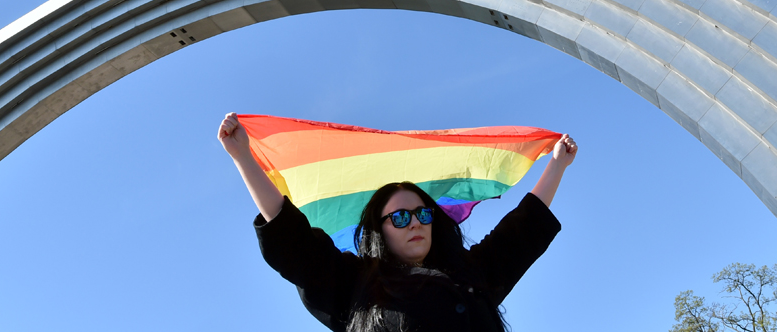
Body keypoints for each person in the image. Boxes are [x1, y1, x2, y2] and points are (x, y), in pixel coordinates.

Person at [218, 112, 578, 332]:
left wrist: (557, 165)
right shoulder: (354, 284)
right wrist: (242, 156)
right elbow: (291, 236)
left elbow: (520, 233)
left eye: (423, 214)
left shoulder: (470, 274)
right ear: (379, 230)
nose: (415, 223)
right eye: (400, 217)